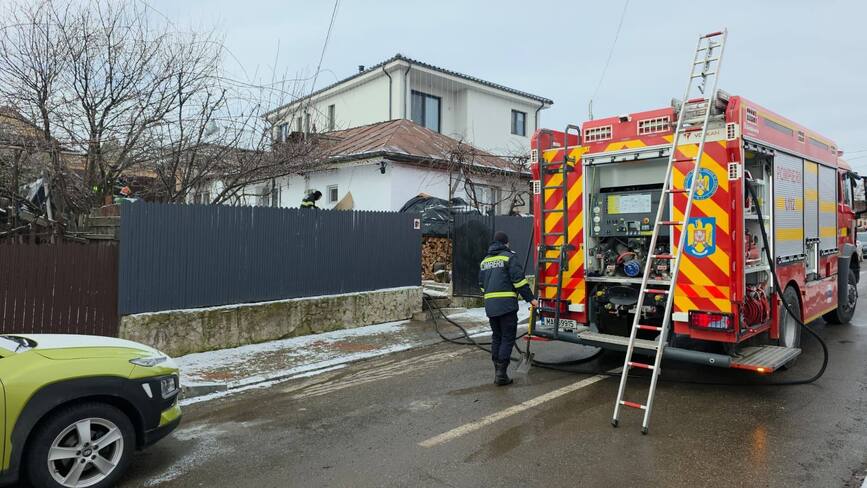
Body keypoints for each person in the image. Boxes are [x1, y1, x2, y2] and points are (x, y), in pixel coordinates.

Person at [478, 231, 538, 386]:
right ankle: (501, 375)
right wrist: (530, 299)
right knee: (507, 337)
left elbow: (481, 285)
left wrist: (491, 297)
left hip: (490, 306)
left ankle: (497, 371)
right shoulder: (509, 257)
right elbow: (519, 281)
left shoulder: (485, 261)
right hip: (506, 306)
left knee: (496, 337)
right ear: (506, 243)